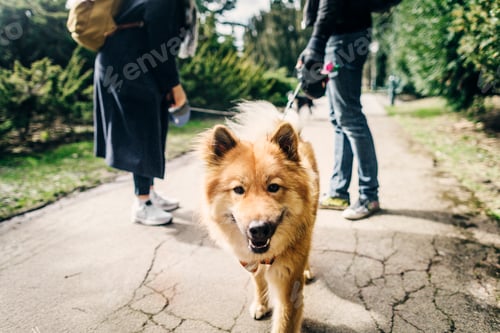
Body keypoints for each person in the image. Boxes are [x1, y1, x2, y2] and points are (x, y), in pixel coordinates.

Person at [93, 0, 196, 226]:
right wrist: (174, 86)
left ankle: (148, 191)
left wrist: (167, 85)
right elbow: (161, 43)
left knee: (153, 125)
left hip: (135, 61)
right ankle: (143, 203)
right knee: (143, 131)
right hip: (126, 66)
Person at [298, 0, 380, 220]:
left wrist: (315, 44)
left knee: (350, 118)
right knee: (339, 119)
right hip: (342, 36)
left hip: (346, 37)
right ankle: (338, 192)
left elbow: (330, 3)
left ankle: (368, 195)